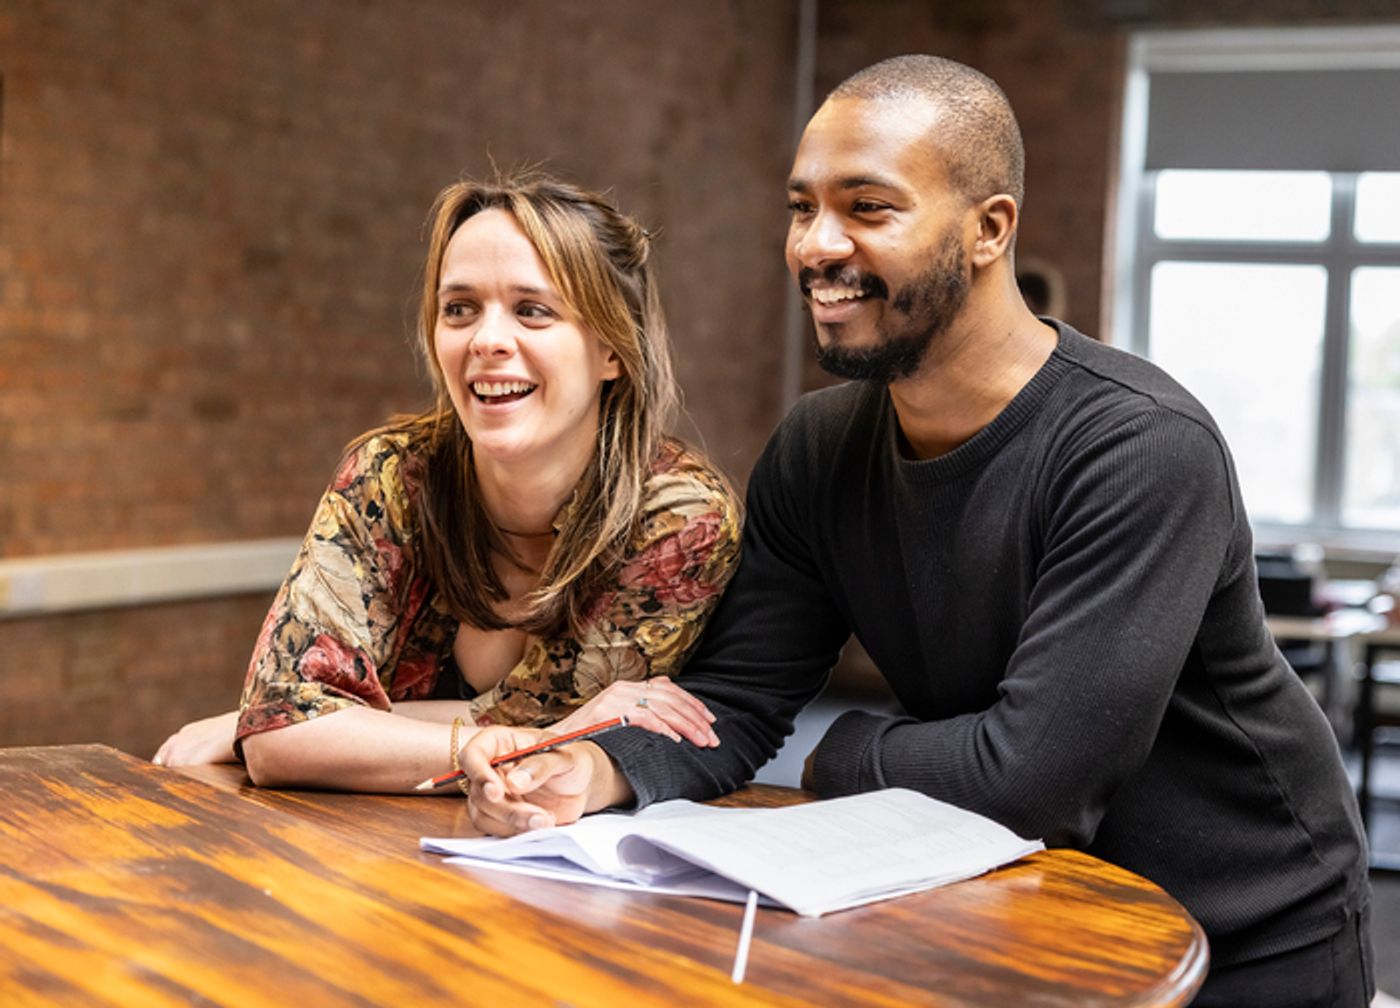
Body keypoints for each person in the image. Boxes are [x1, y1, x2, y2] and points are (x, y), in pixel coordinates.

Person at [458, 57, 1374, 1005]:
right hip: (1020, 908)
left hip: (1248, 928)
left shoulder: (1139, 448)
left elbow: (1031, 782)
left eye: (868, 207)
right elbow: (736, 699)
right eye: (802, 207)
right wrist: (593, 770)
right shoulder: (818, 447)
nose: (816, 245)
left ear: (989, 229)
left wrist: (841, 750)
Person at [154, 172, 740, 791]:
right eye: (460, 309)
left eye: (533, 311)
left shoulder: (678, 519)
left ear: (612, 349)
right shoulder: (391, 475)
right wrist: (533, 741)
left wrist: (320, 726)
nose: (486, 340)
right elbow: (280, 739)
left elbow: (290, 725)